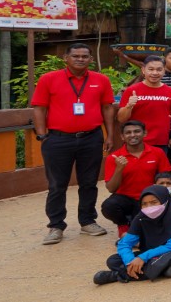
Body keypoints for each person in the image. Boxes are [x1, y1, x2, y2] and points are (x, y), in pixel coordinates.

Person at [32, 42, 116, 244]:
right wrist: (43, 135)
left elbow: (107, 108)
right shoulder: (49, 79)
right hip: (58, 139)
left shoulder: (101, 80)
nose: (80, 59)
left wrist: (110, 135)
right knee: (57, 185)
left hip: (91, 138)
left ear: (91, 59)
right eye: (76, 56)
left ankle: (87, 221)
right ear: (66, 59)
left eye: (85, 56)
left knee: (89, 183)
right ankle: (56, 225)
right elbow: (39, 108)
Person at [92, 185, 171, 285]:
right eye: (144, 204)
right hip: (148, 255)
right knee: (112, 260)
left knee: (157, 264)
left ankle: (116, 275)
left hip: (170, 254)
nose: (149, 207)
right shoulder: (140, 219)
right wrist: (129, 262)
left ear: (165, 201)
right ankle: (160, 270)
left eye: (154, 202)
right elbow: (125, 243)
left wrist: (142, 257)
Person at [102, 120, 171, 236]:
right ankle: (123, 226)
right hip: (126, 199)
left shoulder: (157, 152)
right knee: (109, 206)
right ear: (122, 137)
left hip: (149, 199)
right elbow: (111, 188)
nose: (133, 135)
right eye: (128, 133)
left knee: (147, 231)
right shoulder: (113, 157)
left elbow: (166, 179)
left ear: (145, 133)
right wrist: (119, 169)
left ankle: (137, 222)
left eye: (137, 131)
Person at [116, 55, 171, 156]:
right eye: (151, 69)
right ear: (143, 70)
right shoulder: (131, 90)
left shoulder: (170, 92)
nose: (155, 73)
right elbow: (121, 119)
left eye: (159, 69)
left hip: (161, 143)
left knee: (159, 171)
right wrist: (129, 106)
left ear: (164, 71)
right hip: (135, 142)